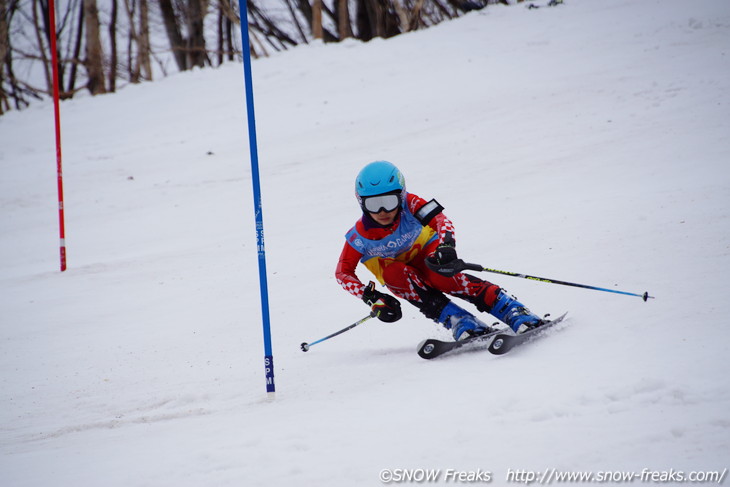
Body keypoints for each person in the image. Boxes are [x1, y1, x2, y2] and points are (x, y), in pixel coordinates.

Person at [335, 160, 544, 341]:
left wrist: (446, 246)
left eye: (389, 202)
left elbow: (441, 220)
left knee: (440, 274)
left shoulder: (411, 203)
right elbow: (342, 273)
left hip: (427, 252)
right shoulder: (359, 236)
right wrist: (370, 297)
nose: (382, 211)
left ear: (401, 195)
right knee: (394, 274)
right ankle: (458, 320)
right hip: (398, 272)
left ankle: (511, 309)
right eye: (374, 204)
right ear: (361, 203)